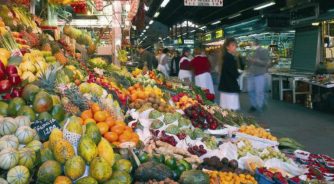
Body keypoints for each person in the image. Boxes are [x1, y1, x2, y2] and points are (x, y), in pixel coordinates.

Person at [247, 38, 270, 112]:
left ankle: (259, 106)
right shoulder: (250, 51)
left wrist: (256, 60)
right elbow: (249, 63)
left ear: (255, 43)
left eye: (251, 42)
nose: (250, 44)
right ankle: (253, 105)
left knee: (259, 91)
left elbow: (265, 63)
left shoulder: (263, 51)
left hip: (259, 74)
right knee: (250, 90)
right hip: (251, 74)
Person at [218, 38, 241, 111]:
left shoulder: (225, 57)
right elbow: (233, 73)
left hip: (225, 85)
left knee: (226, 108)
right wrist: (238, 73)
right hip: (230, 86)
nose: (235, 47)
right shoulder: (230, 58)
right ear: (227, 47)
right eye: (233, 45)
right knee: (230, 109)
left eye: (235, 45)